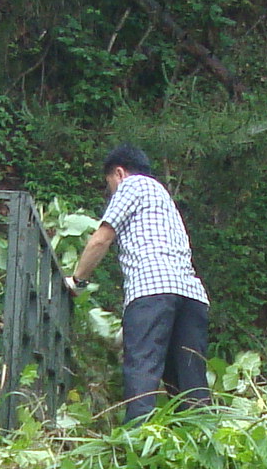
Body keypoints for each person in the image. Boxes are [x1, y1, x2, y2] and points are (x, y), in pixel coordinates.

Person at [66, 145, 212, 421]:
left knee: (142, 376)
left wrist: (78, 281)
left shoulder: (132, 186)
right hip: (192, 297)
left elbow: (101, 239)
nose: (111, 191)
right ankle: (201, 451)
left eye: (109, 184)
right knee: (190, 387)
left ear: (119, 173)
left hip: (151, 291)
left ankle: (137, 451)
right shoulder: (164, 200)